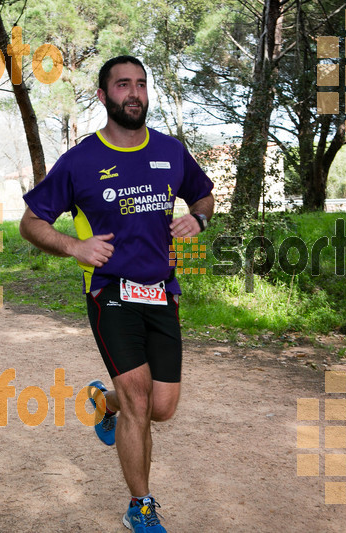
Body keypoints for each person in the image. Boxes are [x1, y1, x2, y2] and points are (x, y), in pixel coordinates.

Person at [20, 56, 214, 533]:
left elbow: (204, 196)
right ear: (104, 96)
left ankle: (104, 403)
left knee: (162, 407)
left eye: (141, 85)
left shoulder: (171, 151)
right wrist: (74, 247)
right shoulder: (82, 161)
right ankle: (140, 505)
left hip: (161, 292)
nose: (134, 93)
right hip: (110, 293)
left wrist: (200, 218)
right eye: (123, 85)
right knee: (139, 401)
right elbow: (31, 222)